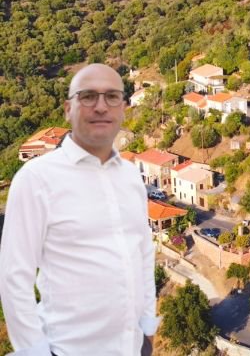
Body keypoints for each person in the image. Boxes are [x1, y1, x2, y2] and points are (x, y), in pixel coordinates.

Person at [0, 64, 158, 355]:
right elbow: (14, 277)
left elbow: (143, 254)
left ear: (123, 109)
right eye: (88, 96)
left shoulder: (130, 176)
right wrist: (35, 351)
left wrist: (148, 329)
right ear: (67, 109)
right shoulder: (36, 179)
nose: (101, 107)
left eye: (112, 97)